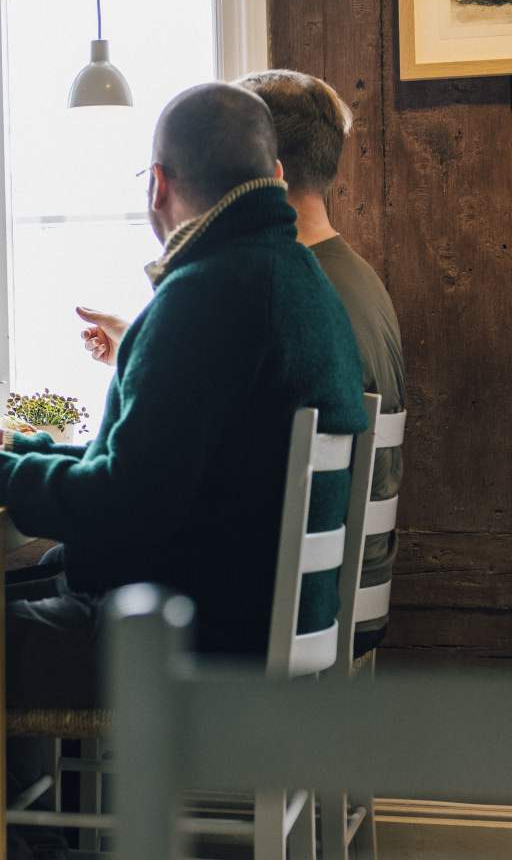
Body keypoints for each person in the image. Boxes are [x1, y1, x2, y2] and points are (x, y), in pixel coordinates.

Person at [0, 83, 368, 860]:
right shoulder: (296, 279)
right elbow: (148, 466)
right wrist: (11, 455)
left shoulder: (203, 294)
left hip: (188, 636)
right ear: (278, 177)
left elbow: (123, 502)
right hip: (257, 618)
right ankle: (38, 842)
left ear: (158, 183)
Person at [78, 69, 404, 656]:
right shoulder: (349, 279)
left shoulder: (283, 294)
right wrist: (143, 350)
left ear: (254, 163)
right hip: (346, 590)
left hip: (292, 612)